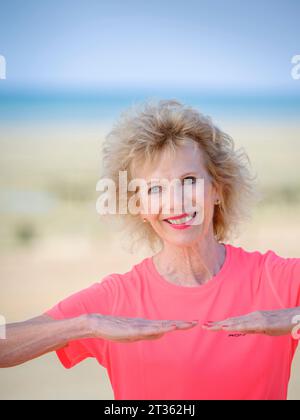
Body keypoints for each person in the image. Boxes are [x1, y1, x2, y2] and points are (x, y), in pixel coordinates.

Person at [1, 99, 299, 400]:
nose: (175, 202)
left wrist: (291, 318)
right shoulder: (116, 299)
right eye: (155, 189)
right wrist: (85, 325)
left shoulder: (274, 279)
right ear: (140, 206)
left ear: (218, 189)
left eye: (189, 181)